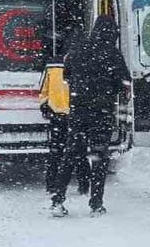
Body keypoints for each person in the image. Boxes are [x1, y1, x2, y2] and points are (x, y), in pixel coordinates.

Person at [50, 15, 130, 217]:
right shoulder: (113, 54)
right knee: (99, 157)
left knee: (70, 155)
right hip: (102, 113)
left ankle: (57, 201)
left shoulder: (77, 50)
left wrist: (82, 84)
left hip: (78, 111)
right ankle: (96, 204)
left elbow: (66, 76)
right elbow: (125, 84)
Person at [40, 32, 91, 197]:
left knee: (56, 152)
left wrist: (45, 106)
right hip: (77, 114)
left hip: (57, 114)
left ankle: (52, 185)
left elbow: (43, 89)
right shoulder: (84, 63)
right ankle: (84, 185)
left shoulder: (51, 65)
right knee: (80, 152)